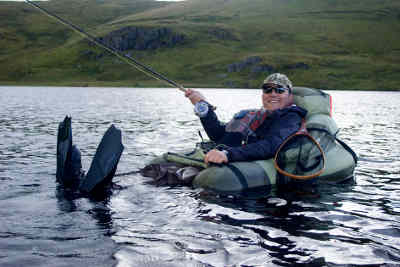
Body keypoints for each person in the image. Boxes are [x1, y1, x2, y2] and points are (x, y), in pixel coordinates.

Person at [185, 73, 307, 164]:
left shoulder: (291, 117)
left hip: (232, 167)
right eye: (267, 89)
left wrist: (228, 154)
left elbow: (271, 145)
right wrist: (202, 106)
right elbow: (218, 136)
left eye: (280, 90)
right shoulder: (249, 115)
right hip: (214, 158)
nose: (273, 94)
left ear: (290, 96)